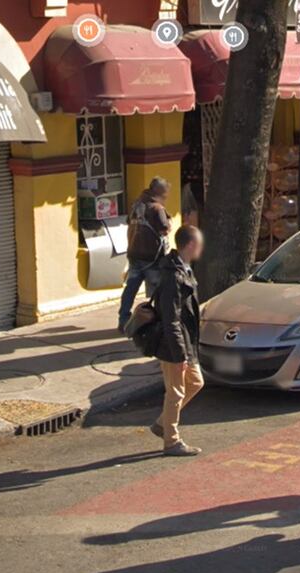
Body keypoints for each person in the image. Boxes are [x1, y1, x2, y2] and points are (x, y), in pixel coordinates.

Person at [149, 225, 205, 457]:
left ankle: (163, 423)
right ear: (191, 245)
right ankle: (171, 441)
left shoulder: (184, 268)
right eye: (199, 243)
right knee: (176, 392)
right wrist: (179, 354)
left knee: (196, 382)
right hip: (174, 344)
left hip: (186, 342)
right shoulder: (173, 275)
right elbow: (171, 319)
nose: (201, 248)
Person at [119, 177, 172, 332]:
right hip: (152, 258)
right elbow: (164, 228)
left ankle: (123, 320)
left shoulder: (137, 205)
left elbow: (129, 221)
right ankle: (159, 320)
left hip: (134, 254)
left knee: (130, 289)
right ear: (160, 192)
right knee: (158, 290)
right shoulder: (157, 208)